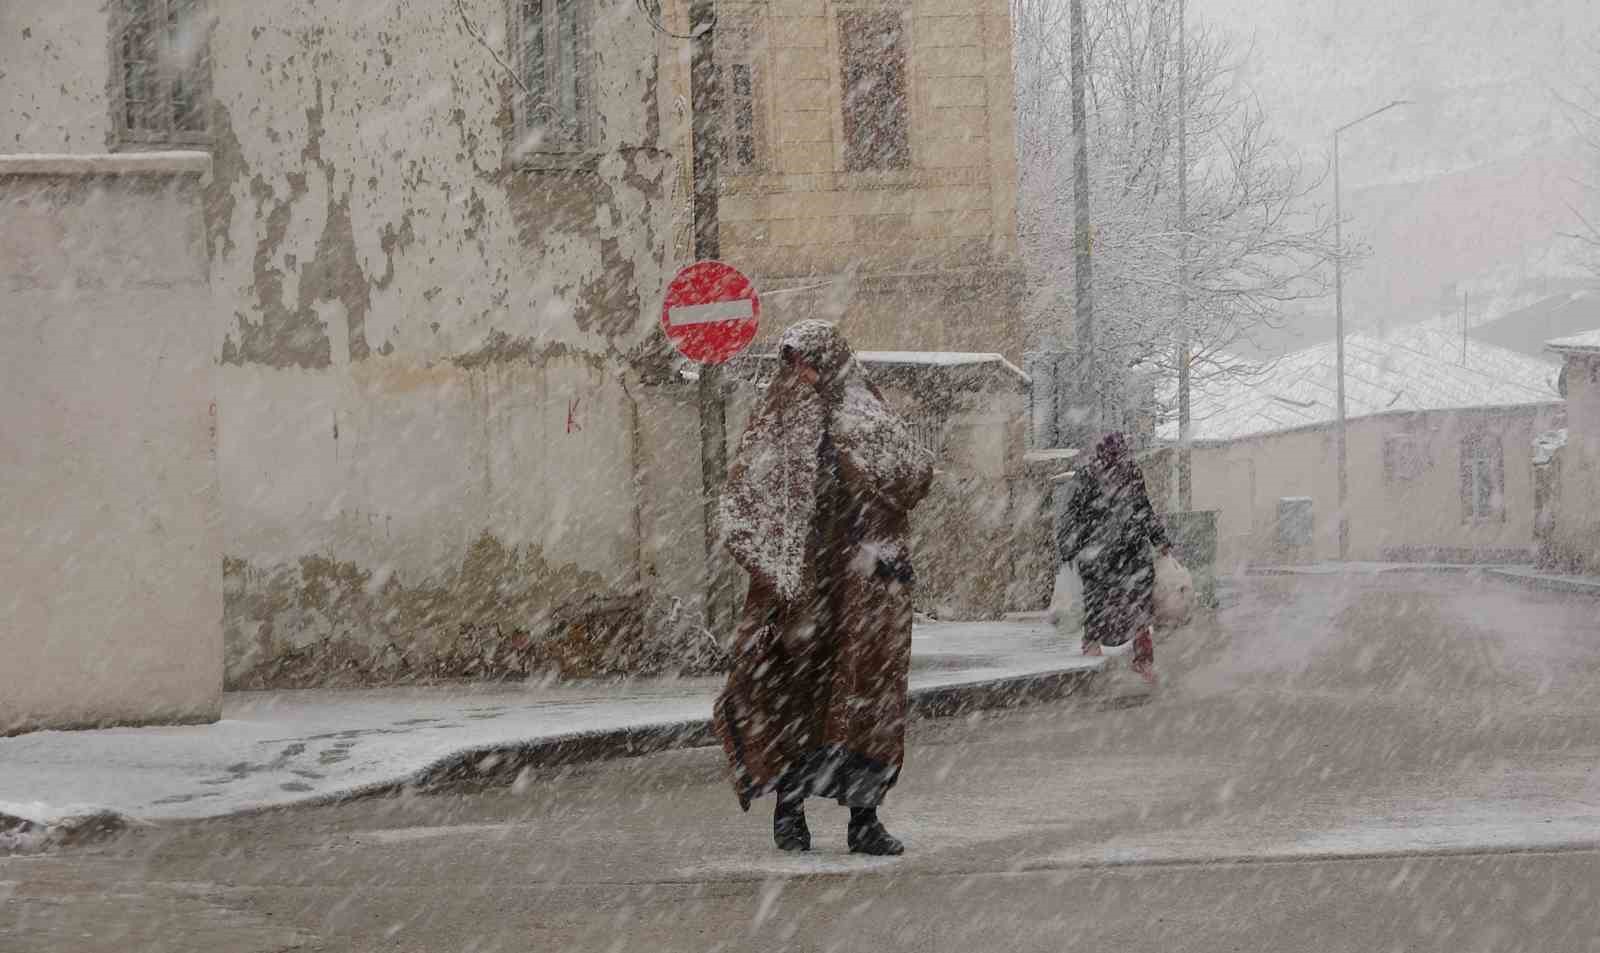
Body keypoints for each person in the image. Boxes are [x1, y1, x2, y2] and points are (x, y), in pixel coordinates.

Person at [713, 320, 934, 856]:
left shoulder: (864, 413)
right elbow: (738, 508)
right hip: (799, 594)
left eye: (809, 363)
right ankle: (789, 813)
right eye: (793, 365)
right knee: (794, 699)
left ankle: (865, 819)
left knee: (864, 706)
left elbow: (915, 476)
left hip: (864, 590)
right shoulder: (775, 426)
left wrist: (856, 440)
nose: (802, 376)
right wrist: (778, 565)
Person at [1058, 432, 1171, 682]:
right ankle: (1139, 659)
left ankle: (1100, 648)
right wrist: (1159, 539)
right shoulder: (1122, 473)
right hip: (1118, 553)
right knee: (1131, 605)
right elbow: (1143, 509)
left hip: (1109, 553)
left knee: (1109, 603)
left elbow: (1072, 515)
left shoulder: (1096, 474)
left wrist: (1070, 546)